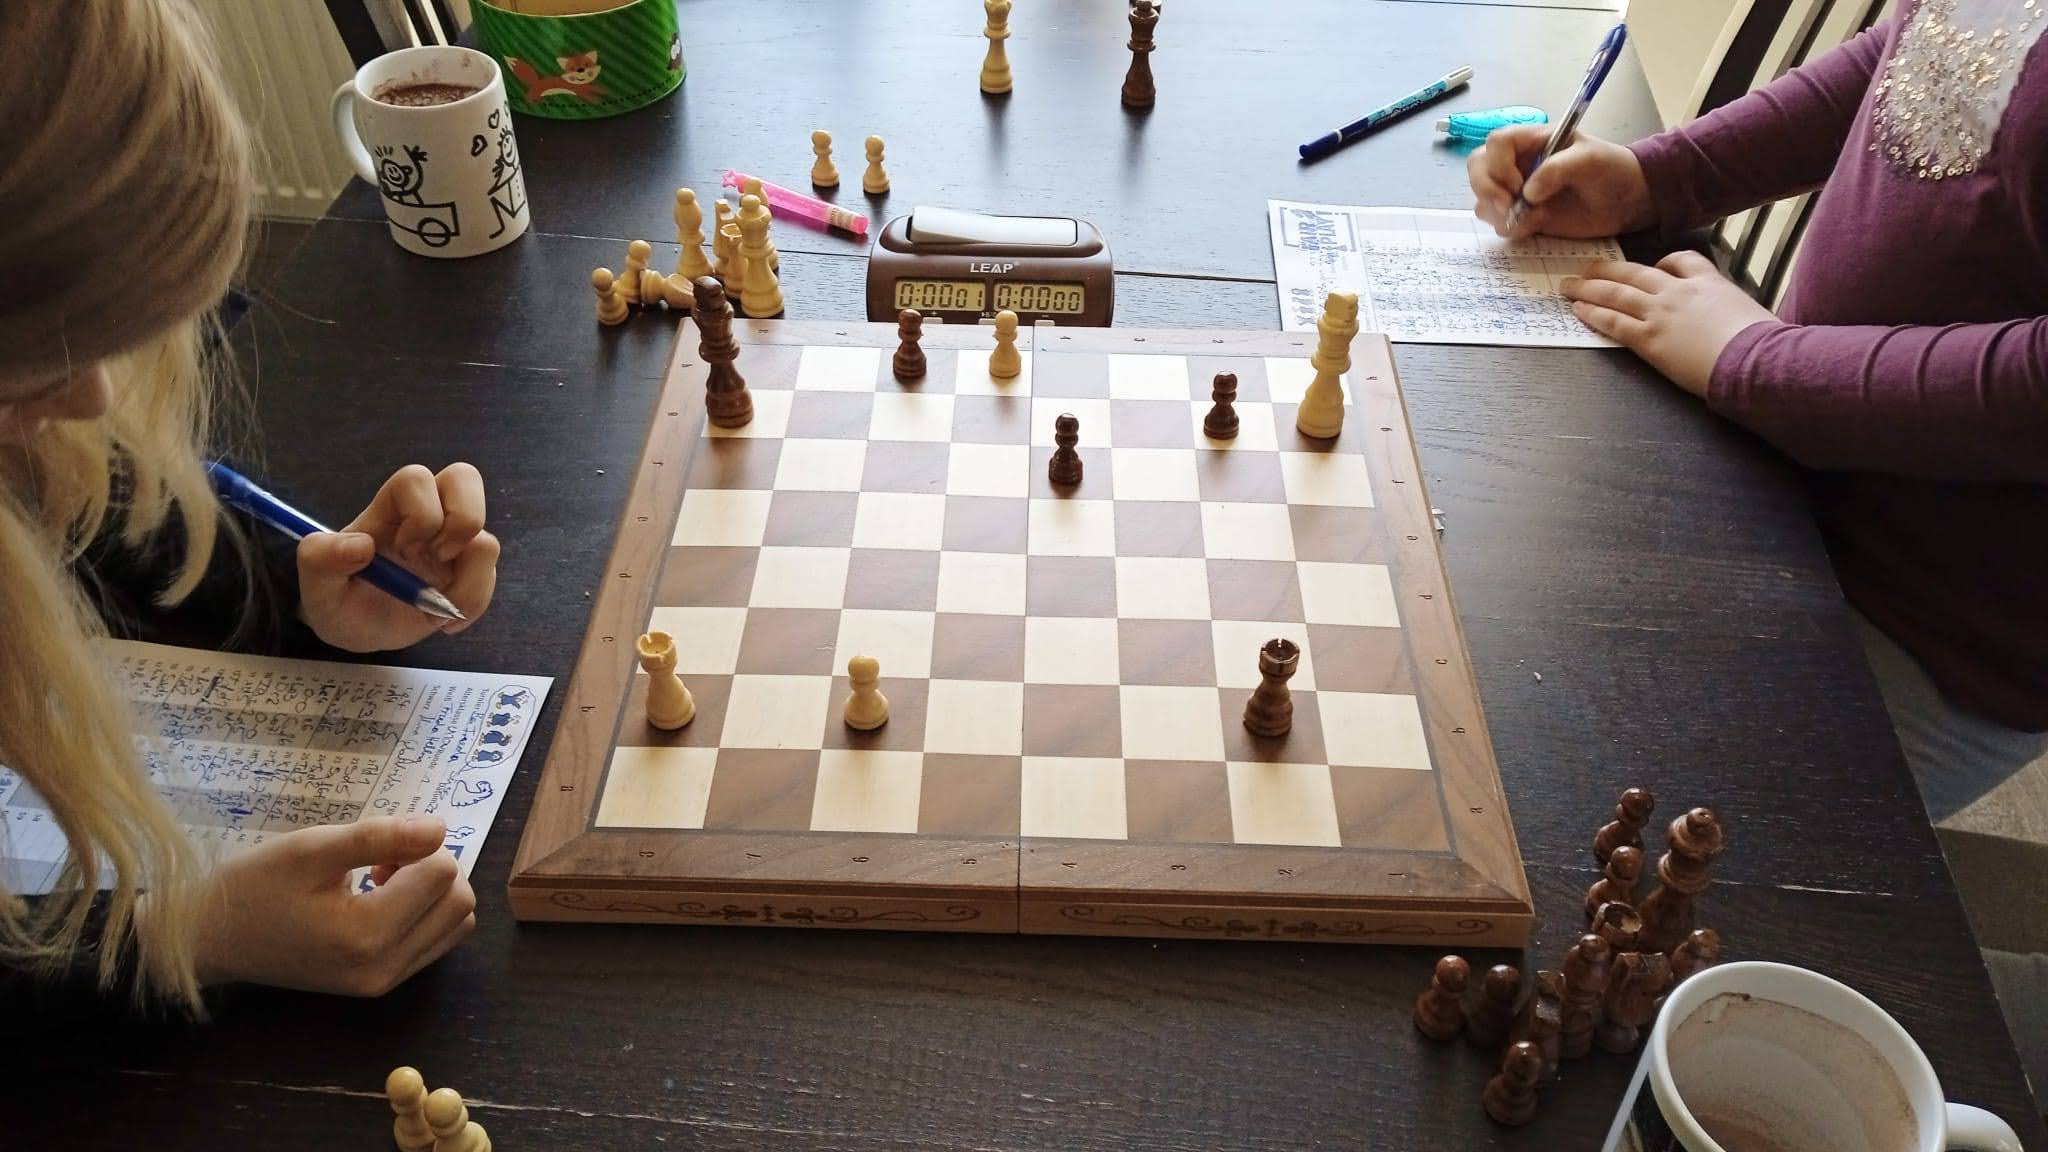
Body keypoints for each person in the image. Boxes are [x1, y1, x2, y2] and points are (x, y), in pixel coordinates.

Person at [1469, 1, 2046, 1079]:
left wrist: (1761, 365)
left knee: (1617, 935)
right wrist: (1656, 178)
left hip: (1936, 621)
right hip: (1776, 478)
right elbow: (1919, 55)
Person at [1, 1, 496, 1014]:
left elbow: (114, 548)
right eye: (28, 363)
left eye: (109, 337)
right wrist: (176, 938)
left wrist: (296, 598)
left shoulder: (50, 420)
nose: (93, 398)